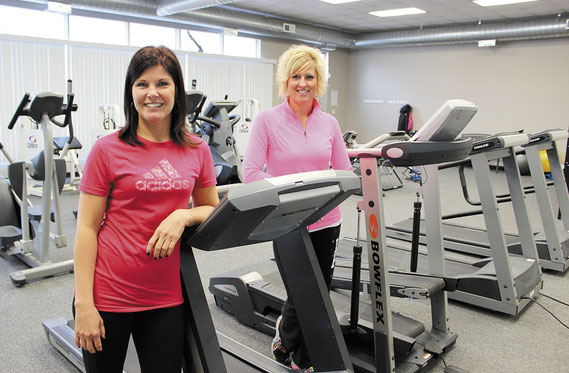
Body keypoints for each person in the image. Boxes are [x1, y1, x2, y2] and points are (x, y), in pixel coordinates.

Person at [73, 46, 219, 373]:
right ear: (131, 91)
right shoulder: (107, 149)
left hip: (165, 297)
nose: (152, 93)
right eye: (142, 84)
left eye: (162, 83)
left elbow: (210, 207)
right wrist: (84, 303)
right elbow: (86, 228)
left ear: (176, 91)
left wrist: (183, 215)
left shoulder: (197, 149)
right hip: (108, 293)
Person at [242, 44, 352, 373]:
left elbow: (343, 170)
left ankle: (285, 337)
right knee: (301, 291)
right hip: (287, 222)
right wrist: (287, 192)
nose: (302, 83)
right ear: (284, 81)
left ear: (318, 81)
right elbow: (249, 173)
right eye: (295, 76)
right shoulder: (267, 120)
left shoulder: (329, 123)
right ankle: (302, 360)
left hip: (327, 220)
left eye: (309, 76)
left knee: (318, 291)